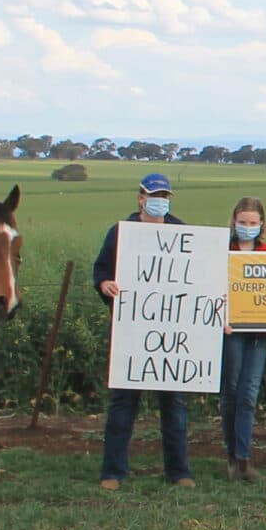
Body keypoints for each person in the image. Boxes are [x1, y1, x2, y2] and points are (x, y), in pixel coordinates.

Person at [92, 172, 193, 491]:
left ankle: (179, 472)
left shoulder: (182, 232)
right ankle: (113, 471)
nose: (159, 201)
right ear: (140, 198)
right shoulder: (120, 232)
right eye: (153, 195)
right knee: (123, 403)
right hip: (131, 332)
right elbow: (101, 270)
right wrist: (103, 284)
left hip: (171, 337)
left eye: (164, 196)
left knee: (174, 405)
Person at [221, 196, 266, 484]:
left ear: (262, 225)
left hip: (259, 335)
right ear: (234, 222)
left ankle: (244, 461)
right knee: (231, 392)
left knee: (248, 395)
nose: (247, 227)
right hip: (230, 332)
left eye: (252, 223)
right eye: (242, 222)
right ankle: (231, 458)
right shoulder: (221, 250)